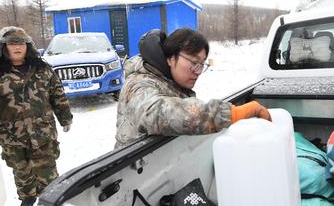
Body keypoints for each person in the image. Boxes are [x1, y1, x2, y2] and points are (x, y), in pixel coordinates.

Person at [0, 26, 73, 206]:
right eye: (12, 43)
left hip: (43, 133)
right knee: (21, 170)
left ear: (28, 46)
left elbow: (58, 95)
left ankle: (52, 198)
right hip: (11, 137)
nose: (17, 47)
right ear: (2, 47)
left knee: (47, 167)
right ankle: (28, 198)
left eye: (21, 43)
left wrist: (65, 117)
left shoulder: (43, 70)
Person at [115, 28, 271, 149]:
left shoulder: (172, 81)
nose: (198, 72)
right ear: (171, 58)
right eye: (193, 62)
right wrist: (231, 114)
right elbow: (154, 112)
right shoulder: (138, 83)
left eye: (202, 64)